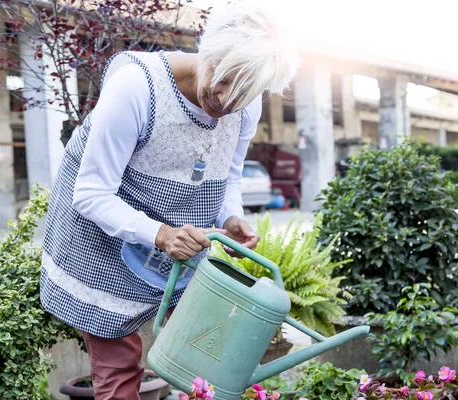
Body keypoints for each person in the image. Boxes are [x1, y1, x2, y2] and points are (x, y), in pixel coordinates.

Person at [39, 2, 299, 398]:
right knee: (119, 368)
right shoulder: (136, 88)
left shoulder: (246, 103)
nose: (227, 100)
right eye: (224, 79)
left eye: (244, 91)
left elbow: (228, 173)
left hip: (180, 239)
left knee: (202, 355)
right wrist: (161, 234)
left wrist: (231, 217)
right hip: (104, 237)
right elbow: (91, 194)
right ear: (208, 51)